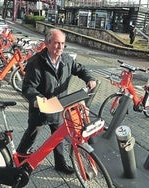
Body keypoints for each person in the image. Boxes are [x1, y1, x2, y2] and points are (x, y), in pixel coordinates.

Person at [16, 28, 97, 174]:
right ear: (47, 43)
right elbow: (28, 88)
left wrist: (89, 78)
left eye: (63, 43)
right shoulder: (35, 62)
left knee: (58, 137)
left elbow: (80, 69)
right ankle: (18, 161)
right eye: (57, 43)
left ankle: (60, 164)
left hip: (60, 107)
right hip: (41, 109)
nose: (60, 47)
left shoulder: (67, 60)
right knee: (31, 135)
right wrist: (39, 101)